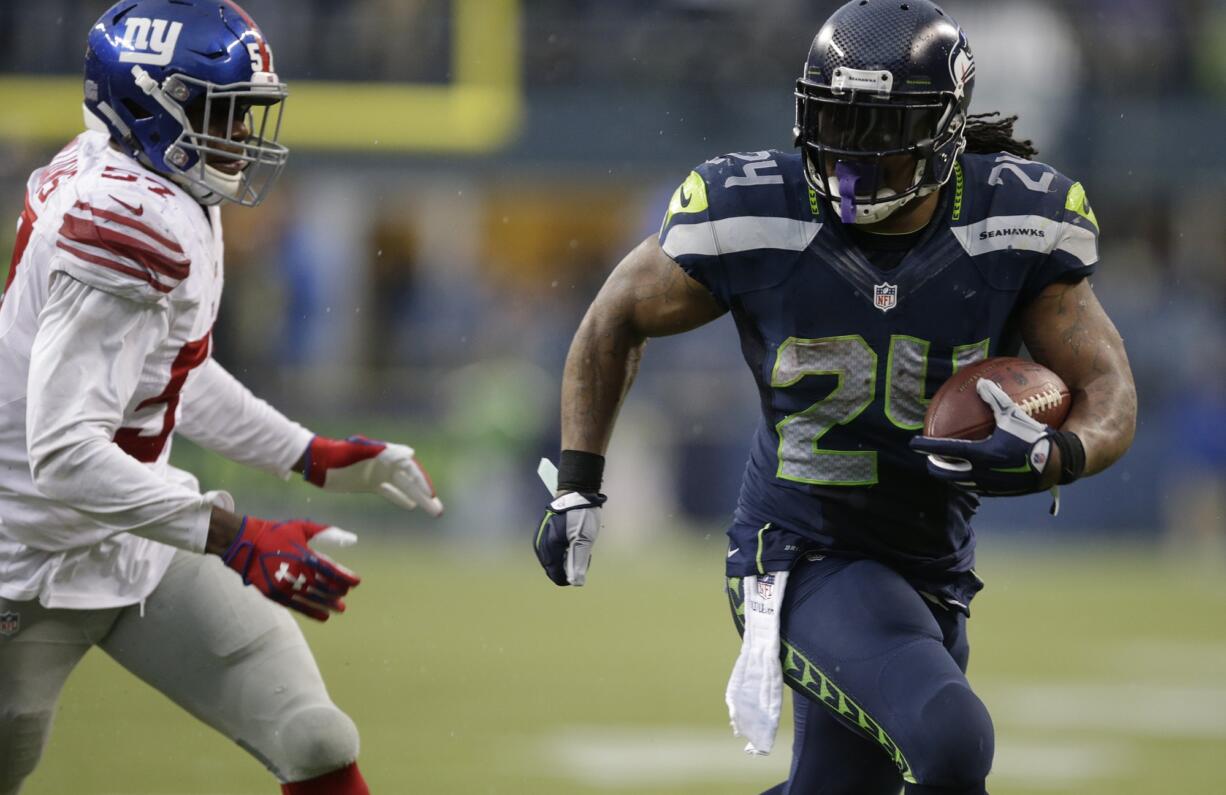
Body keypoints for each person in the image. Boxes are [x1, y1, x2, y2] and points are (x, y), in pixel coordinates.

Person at [533, 2, 1137, 793]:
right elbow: (615, 314)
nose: (852, 153)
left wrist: (1061, 451)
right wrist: (579, 479)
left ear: (946, 129)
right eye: (836, 120)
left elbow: (1109, 388)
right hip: (797, 551)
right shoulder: (757, 208)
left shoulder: (1011, 220)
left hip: (931, 563)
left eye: (880, 129)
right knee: (952, 741)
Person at [0, 2, 443, 793]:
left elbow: (168, 370)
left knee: (314, 736)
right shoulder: (120, 216)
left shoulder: (161, 188)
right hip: (25, 565)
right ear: (146, 102)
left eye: (244, 114)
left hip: (138, 534)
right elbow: (64, 455)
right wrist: (236, 535)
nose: (240, 136)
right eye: (221, 113)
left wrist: (309, 456)